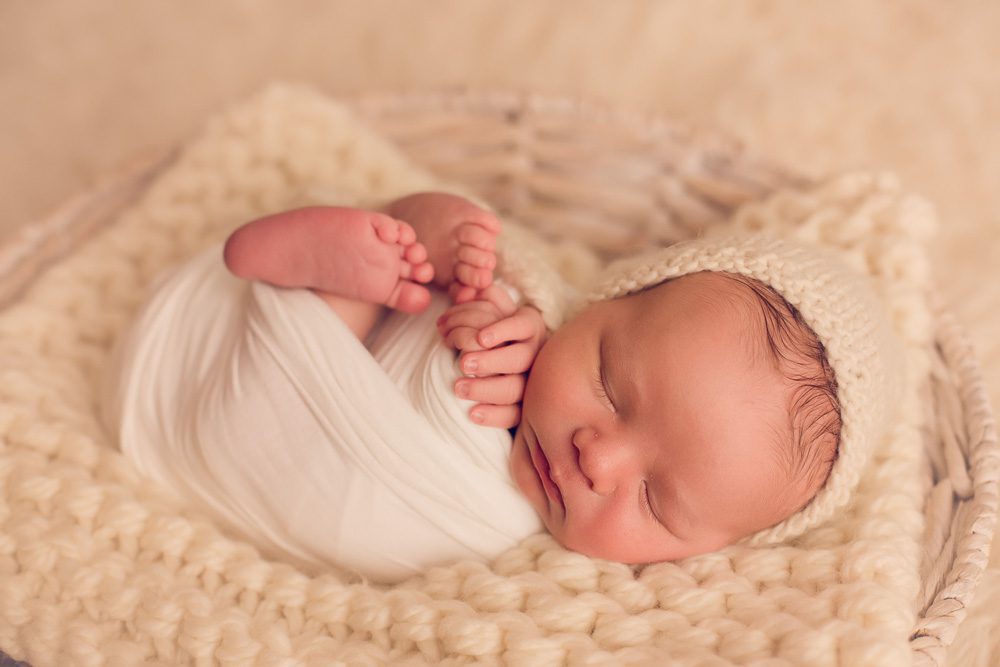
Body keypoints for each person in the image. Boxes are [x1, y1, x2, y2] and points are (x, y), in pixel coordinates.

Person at [104, 191, 896, 582]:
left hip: (224, 457)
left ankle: (339, 281)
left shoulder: (581, 586)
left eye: (658, 501)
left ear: (708, 551)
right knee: (452, 251)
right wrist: (501, 298)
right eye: (611, 385)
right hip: (248, 362)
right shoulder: (530, 326)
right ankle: (350, 268)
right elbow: (526, 285)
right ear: (606, 300)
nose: (598, 455)